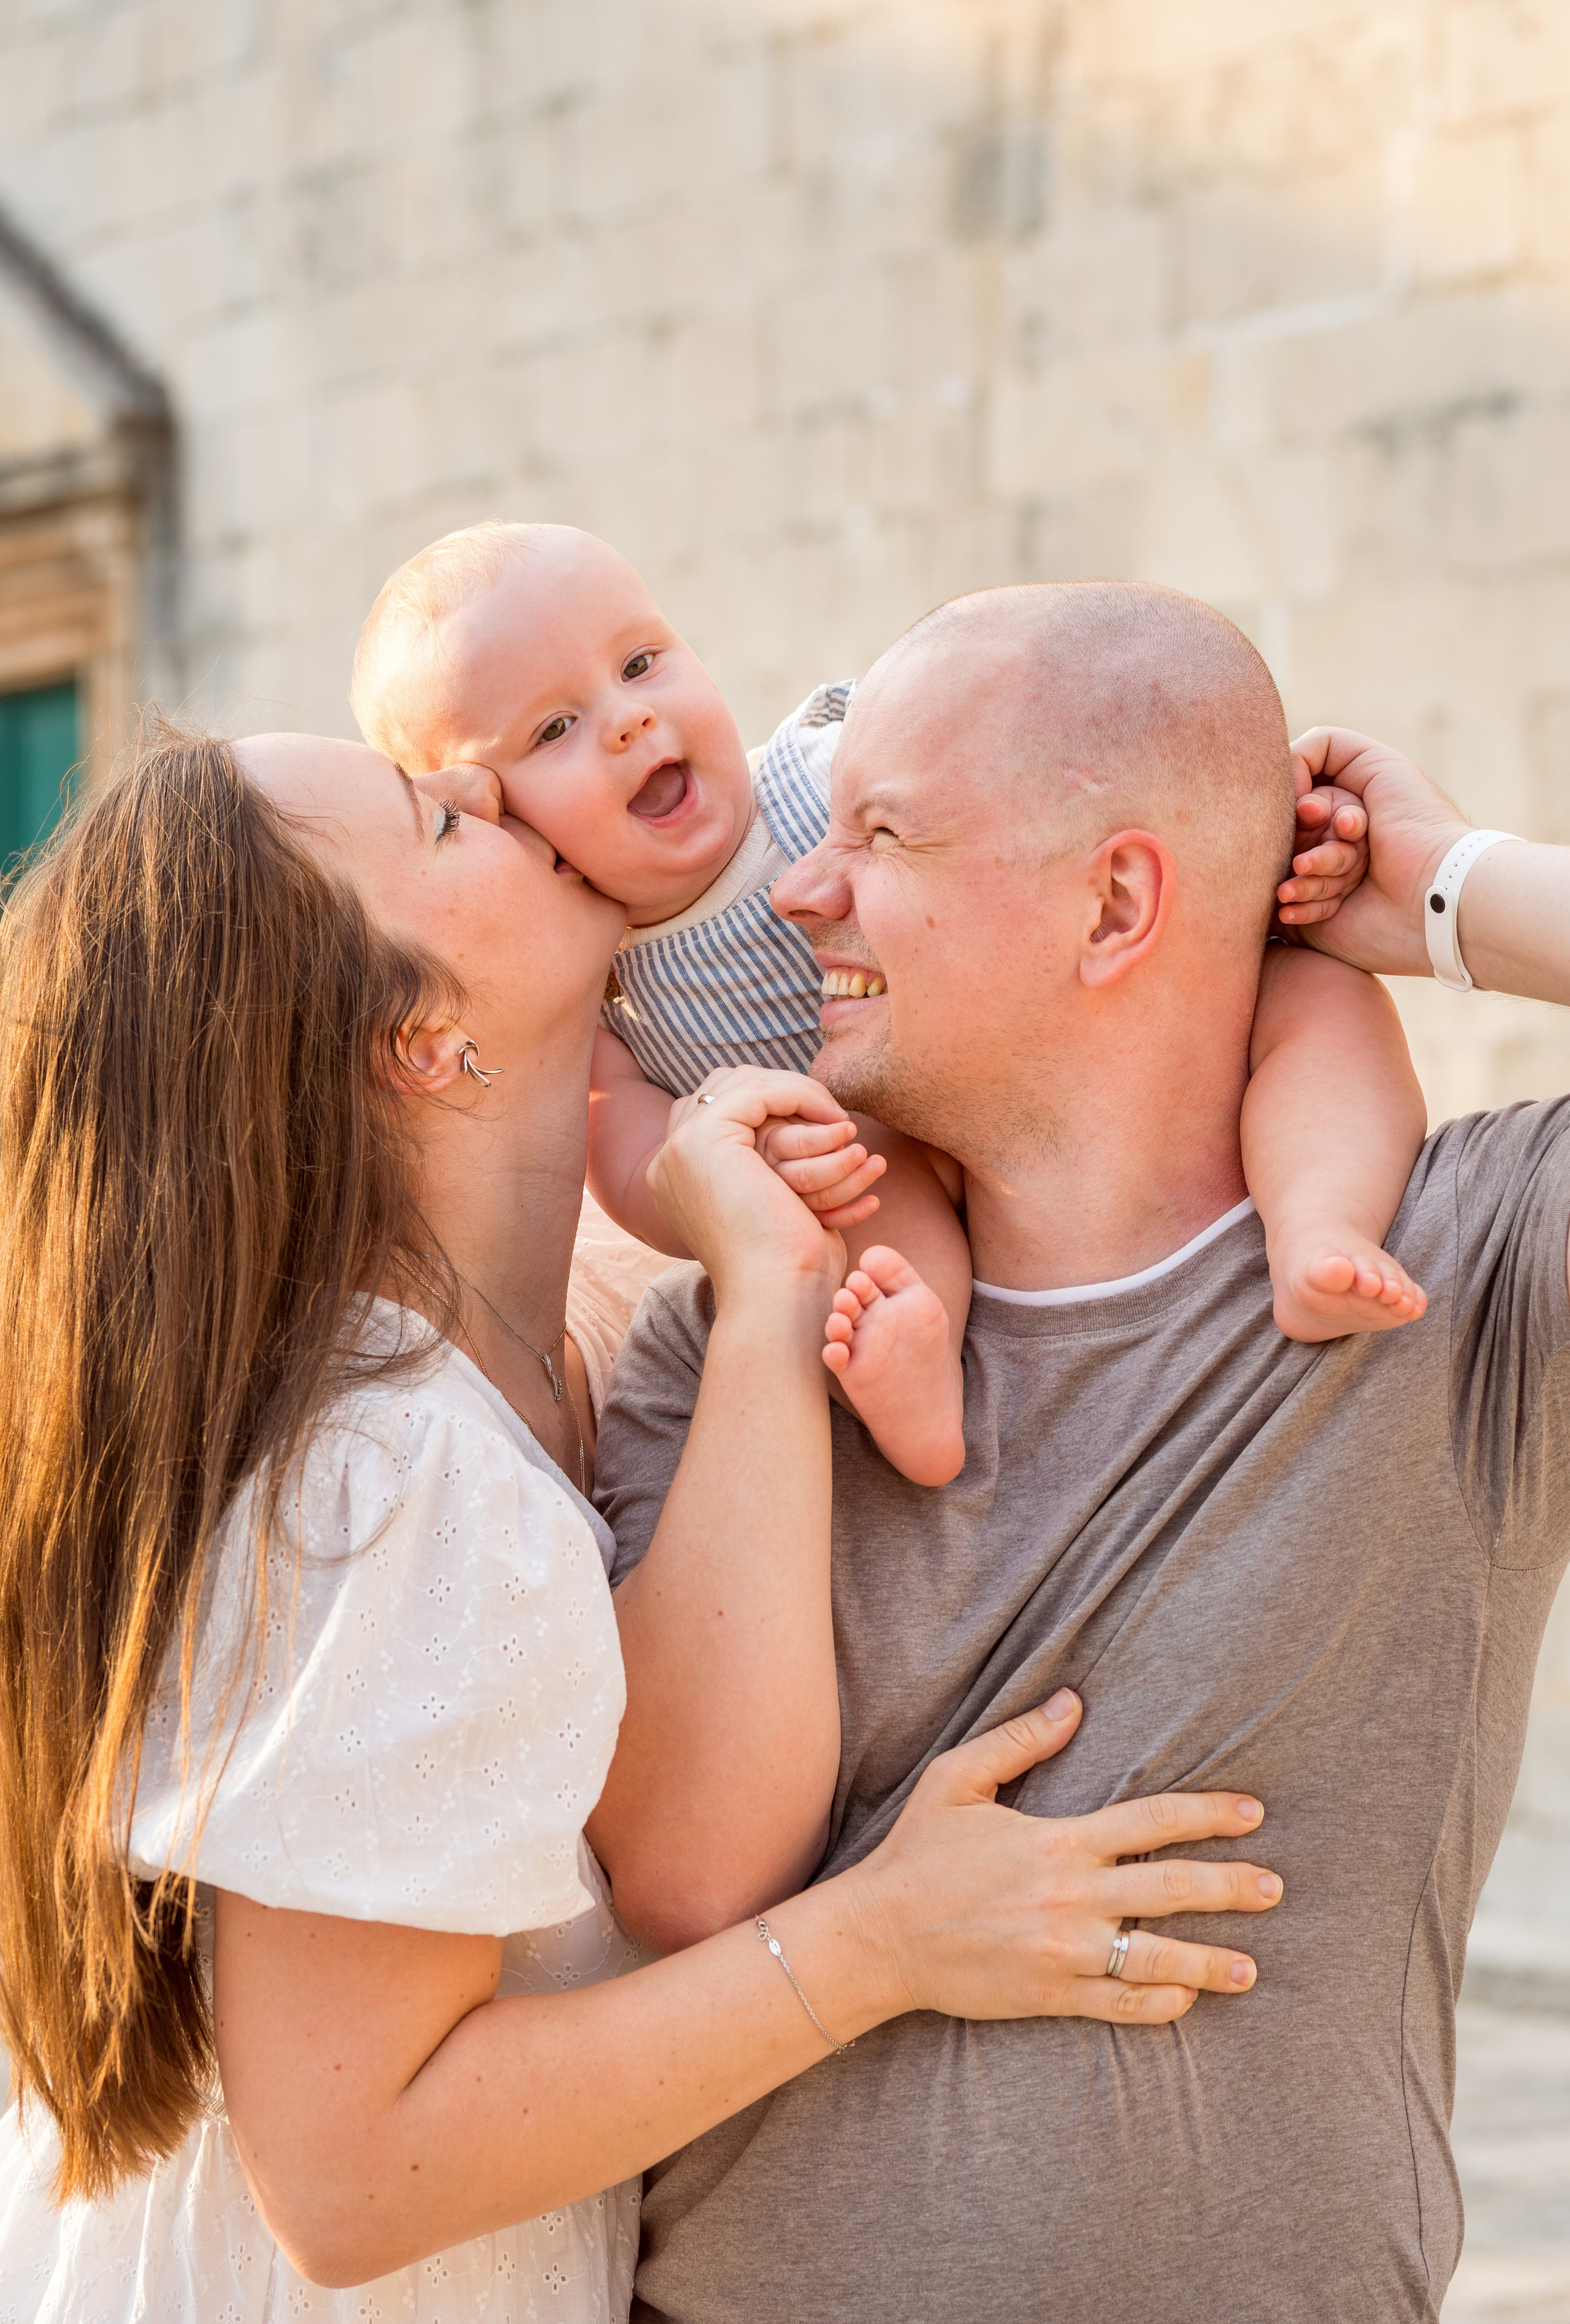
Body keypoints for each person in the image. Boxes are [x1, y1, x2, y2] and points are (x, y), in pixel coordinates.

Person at [0, 723, 1281, 2323]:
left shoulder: (550, 1359)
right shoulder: (388, 1464)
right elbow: (348, 2176)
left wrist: (767, 1283)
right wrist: (886, 1941)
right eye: (431, 820)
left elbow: (685, 1844)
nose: (480, 781)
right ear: (418, 1039)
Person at [594, 580, 1570, 2324]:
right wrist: (766, 1314)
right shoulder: (737, 1332)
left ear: (1117, 902)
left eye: (881, 835)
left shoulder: (1459, 1270)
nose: (801, 892)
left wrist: (1445, 888)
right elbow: (685, 1877)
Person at [350, 522, 1428, 1490]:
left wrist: (1296, 846)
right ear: (492, 815)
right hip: (861, 1142)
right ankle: (920, 1373)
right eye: (553, 730)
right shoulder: (590, 963)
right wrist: (729, 1175)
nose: (629, 720)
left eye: (640, 664)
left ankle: (1321, 1224)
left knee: (1320, 997)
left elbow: (1084, 793)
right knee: (868, 1203)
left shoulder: (826, 771)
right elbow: (631, 1155)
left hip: (1050, 1070)